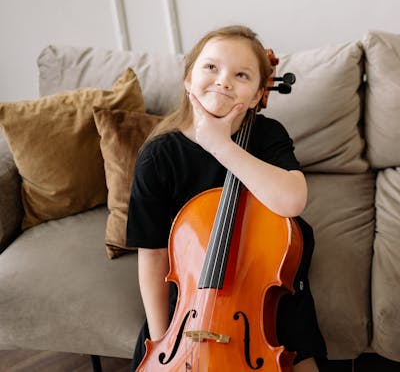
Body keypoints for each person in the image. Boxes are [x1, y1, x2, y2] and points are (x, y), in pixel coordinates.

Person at [126, 25, 326, 372]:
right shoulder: (158, 156)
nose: (224, 81)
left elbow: (291, 201)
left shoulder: (267, 135)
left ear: (256, 95)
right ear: (188, 79)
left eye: (242, 74)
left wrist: (220, 145)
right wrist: (164, 344)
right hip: (190, 306)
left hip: (266, 303)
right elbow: (154, 256)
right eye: (211, 68)